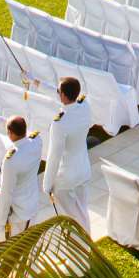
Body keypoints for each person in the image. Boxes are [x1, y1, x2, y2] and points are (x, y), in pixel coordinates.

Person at [42, 77, 94, 232]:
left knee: (73, 217)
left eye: (59, 92)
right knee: (82, 210)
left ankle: (84, 244)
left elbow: (54, 156)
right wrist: (38, 83)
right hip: (83, 168)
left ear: (63, 95)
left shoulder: (60, 123)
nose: (58, 94)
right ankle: (86, 240)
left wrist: (47, 184)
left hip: (67, 177)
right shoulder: (85, 106)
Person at [0, 113, 49, 238]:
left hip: (17, 214)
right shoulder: (37, 141)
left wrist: (0, 223)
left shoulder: (11, 160)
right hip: (32, 205)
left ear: (10, 133)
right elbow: (25, 131)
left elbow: (5, 193)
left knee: (12, 252)